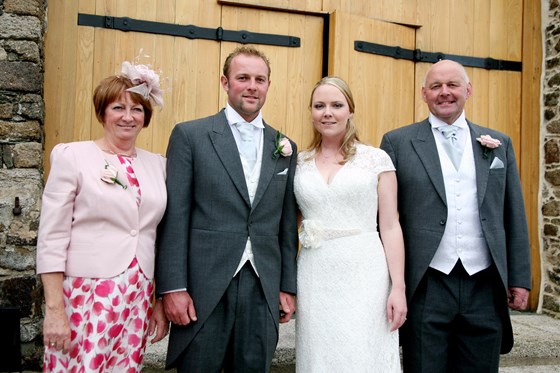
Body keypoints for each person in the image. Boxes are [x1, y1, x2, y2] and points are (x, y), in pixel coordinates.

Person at [380, 59, 531, 372]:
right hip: (427, 282)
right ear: (424, 94)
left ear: (468, 90)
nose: (444, 92)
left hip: (485, 284)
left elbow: (513, 214)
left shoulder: (498, 144)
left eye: (452, 85)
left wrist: (519, 278)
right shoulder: (397, 142)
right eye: (436, 86)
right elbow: (385, 220)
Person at [154, 45, 298, 372]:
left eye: (260, 79)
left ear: (268, 85)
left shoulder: (285, 146)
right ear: (225, 82)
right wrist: (173, 287)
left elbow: (286, 225)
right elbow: (175, 218)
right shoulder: (191, 135)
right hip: (204, 286)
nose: (252, 86)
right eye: (243, 77)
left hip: (262, 284)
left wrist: (287, 286)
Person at [36, 61, 169, 372]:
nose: (127, 116)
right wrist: (55, 310)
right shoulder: (73, 157)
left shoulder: (159, 165)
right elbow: (52, 237)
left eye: (137, 109)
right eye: (117, 107)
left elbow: (160, 235)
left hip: (138, 295)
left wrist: (158, 302)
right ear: (102, 113)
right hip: (86, 294)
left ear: (146, 118)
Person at [295, 76, 407, 372]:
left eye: (336, 105)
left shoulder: (376, 160)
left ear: (350, 111)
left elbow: (391, 226)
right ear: (311, 112)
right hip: (314, 273)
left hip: (365, 273)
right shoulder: (298, 163)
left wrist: (398, 287)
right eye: (319, 105)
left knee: (361, 352)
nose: (327, 112)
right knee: (318, 354)